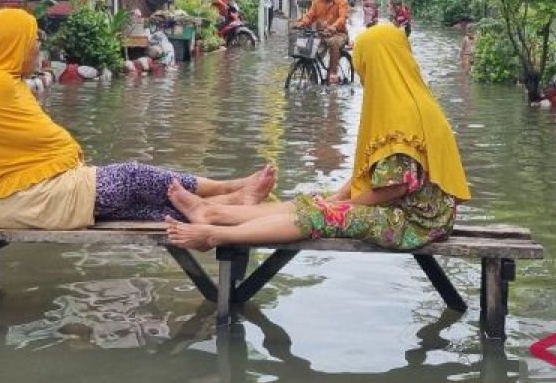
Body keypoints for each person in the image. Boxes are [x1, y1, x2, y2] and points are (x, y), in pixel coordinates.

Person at [0, 8, 276, 263]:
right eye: (31, 41)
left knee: (146, 208)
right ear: (9, 45)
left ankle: (228, 207)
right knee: (133, 177)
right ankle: (229, 187)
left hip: (23, 191)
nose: (36, 48)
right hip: (20, 197)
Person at [165, 24, 471, 251]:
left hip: (417, 224)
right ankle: (214, 212)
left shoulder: (401, 112)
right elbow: (378, 171)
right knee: (317, 200)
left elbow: (394, 187)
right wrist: (338, 196)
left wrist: (339, 206)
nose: (362, 71)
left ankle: (216, 236)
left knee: (320, 213)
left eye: (364, 62)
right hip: (418, 213)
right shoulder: (410, 99)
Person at [293, 0, 350, 84]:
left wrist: (333, 27)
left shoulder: (342, 2)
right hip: (321, 33)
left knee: (334, 43)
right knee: (308, 46)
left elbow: (342, 18)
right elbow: (310, 16)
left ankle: (333, 74)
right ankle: (310, 72)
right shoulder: (318, 0)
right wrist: (301, 23)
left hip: (339, 34)